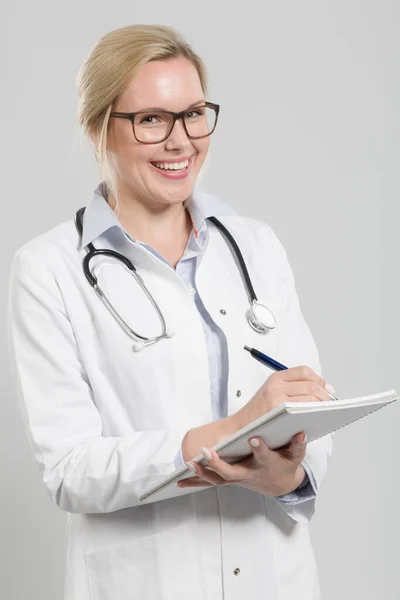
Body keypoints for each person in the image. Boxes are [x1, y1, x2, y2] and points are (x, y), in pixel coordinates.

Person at [8, 24, 333, 600]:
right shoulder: (48, 269)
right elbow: (71, 470)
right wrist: (230, 432)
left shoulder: (256, 246)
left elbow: (306, 409)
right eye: (152, 119)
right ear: (98, 129)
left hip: (275, 578)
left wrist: (291, 475)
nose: (181, 141)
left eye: (194, 113)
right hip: (147, 582)